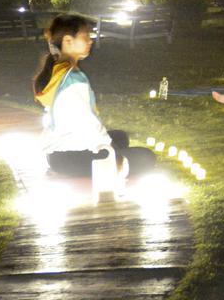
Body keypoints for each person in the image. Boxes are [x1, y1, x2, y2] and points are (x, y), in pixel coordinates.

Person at [33, 13, 155, 178]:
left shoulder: (59, 71)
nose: (90, 41)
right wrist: (112, 152)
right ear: (68, 41)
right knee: (146, 158)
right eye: (86, 37)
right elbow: (87, 123)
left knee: (120, 136)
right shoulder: (73, 79)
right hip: (71, 158)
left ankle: (102, 158)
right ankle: (105, 170)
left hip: (58, 153)